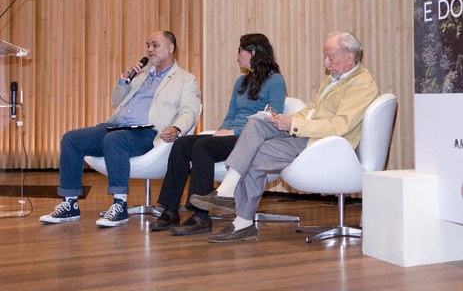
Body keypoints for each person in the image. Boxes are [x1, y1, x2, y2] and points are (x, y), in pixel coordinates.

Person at [190, 30, 379, 243]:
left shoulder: (361, 85)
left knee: (257, 152)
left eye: (330, 57)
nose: (325, 62)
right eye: (325, 56)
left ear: (350, 57)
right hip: (307, 134)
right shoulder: (333, 80)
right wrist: (283, 119)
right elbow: (311, 111)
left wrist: (294, 125)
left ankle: (241, 221)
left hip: (325, 144)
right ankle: (227, 192)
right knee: (257, 122)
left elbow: (339, 125)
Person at [40, 30, 201, 228]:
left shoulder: (185, 79)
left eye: (155, 45)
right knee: (71, 139)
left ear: (170, 48)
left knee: (114, 140)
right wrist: (125, 79)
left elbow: (189, 112)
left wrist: (177, 128)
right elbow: (116, 102)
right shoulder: (141, 76)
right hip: (116, 126)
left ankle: (119, 206)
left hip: (147, 133)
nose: (150, 49)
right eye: (148, 45)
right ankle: (70, 203)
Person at [149, 33, 286, 235]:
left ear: (252, 53)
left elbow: (270, 118)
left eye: (239, 50)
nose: (237, 54)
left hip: (251, 139)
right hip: (231, 135)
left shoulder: (275, 81)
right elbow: (231, 114)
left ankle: (200, 216)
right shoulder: (241, 82)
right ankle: (170, 209)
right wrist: (221, 132)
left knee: (202, 146)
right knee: (182, 144)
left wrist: (232, 131)